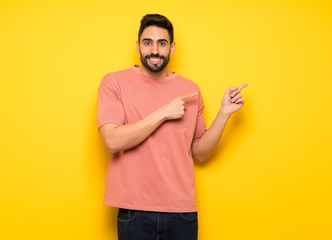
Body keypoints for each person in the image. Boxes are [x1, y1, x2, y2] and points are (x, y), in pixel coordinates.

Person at [97, 13, 247, 240]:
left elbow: (201, 153)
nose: (155, 50)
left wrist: (224, 114)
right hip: (134, 211)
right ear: (138, 46)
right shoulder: (114, 82)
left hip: (182, 212)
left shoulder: (190, 89)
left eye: (162, 43)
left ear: (172, 47)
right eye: (148, 43)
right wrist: (164, 112)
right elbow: (112, 140)